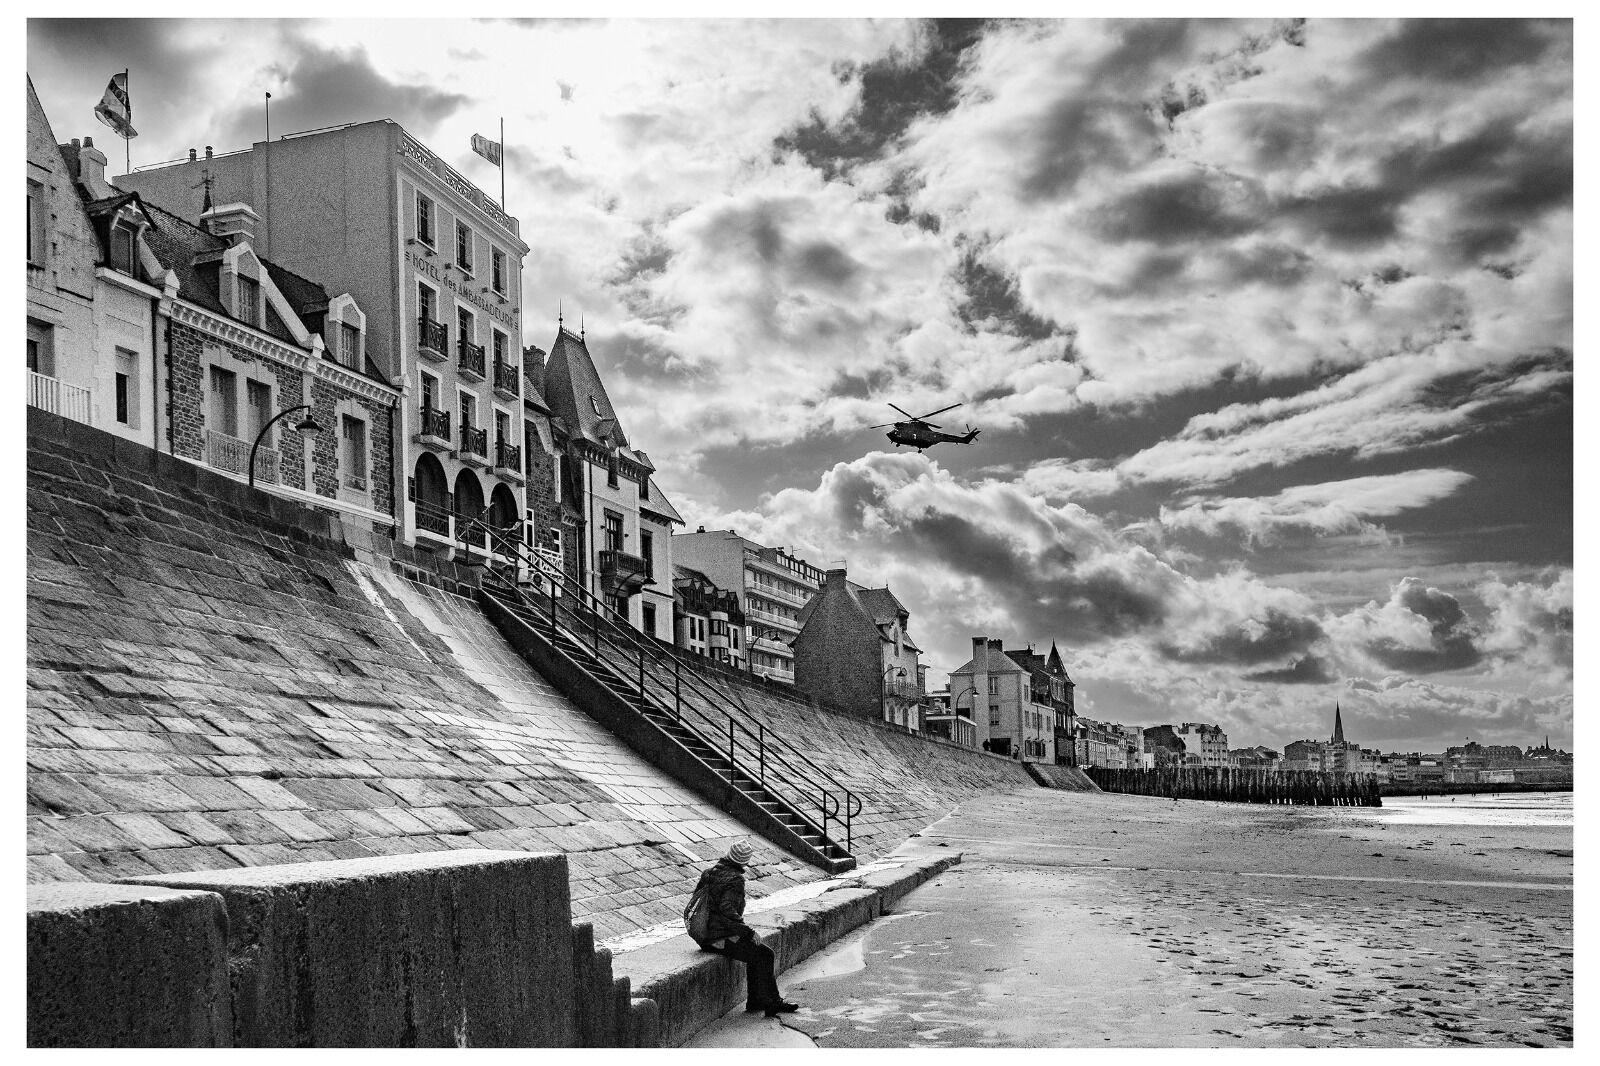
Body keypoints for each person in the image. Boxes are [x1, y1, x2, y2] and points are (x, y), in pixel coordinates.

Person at [690, 840, 799, 1017]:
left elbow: (699, 902)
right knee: (765, 954)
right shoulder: (735, 879)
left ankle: (756, 1001)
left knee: (755, 954)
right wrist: (749, 932)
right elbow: (728, 912)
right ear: (744, 861)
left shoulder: (709, 873)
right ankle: (772, 1002)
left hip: (706, 936)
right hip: (720, 938)